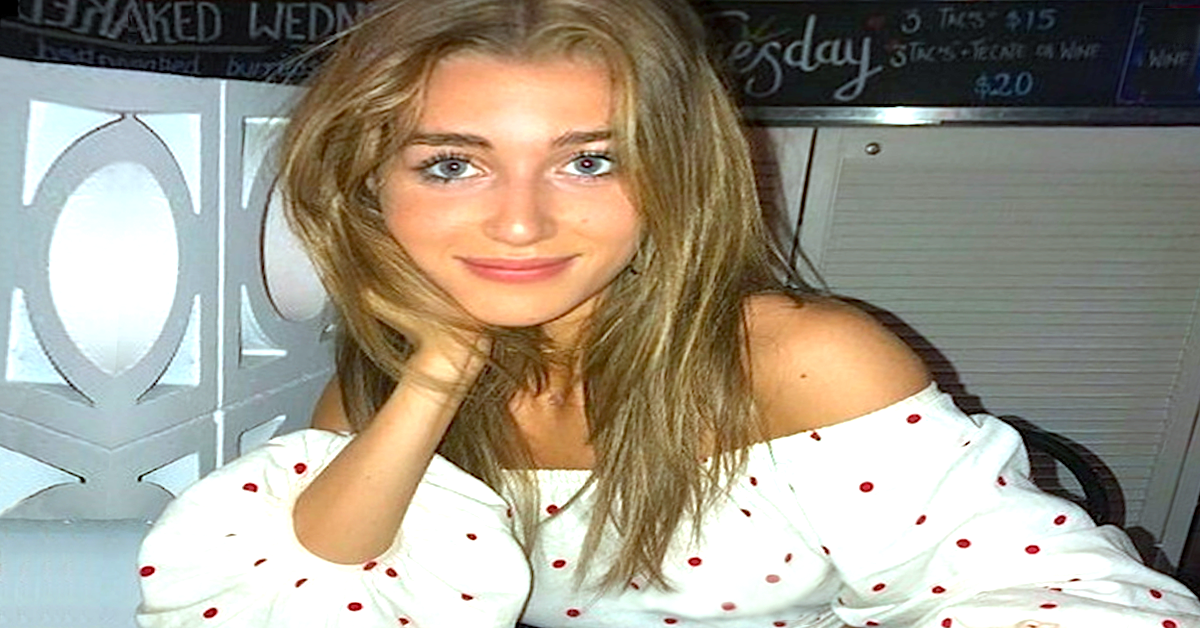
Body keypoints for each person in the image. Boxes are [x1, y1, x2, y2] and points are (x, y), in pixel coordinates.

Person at [136, 0, 1200, 626]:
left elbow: (1062, 598)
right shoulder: (377, 384)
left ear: (674, 176)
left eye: (590, 161)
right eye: (453, 164)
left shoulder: (803, 362)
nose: (521, 223)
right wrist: (435, 374)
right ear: (371, 186)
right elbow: (292, 600)